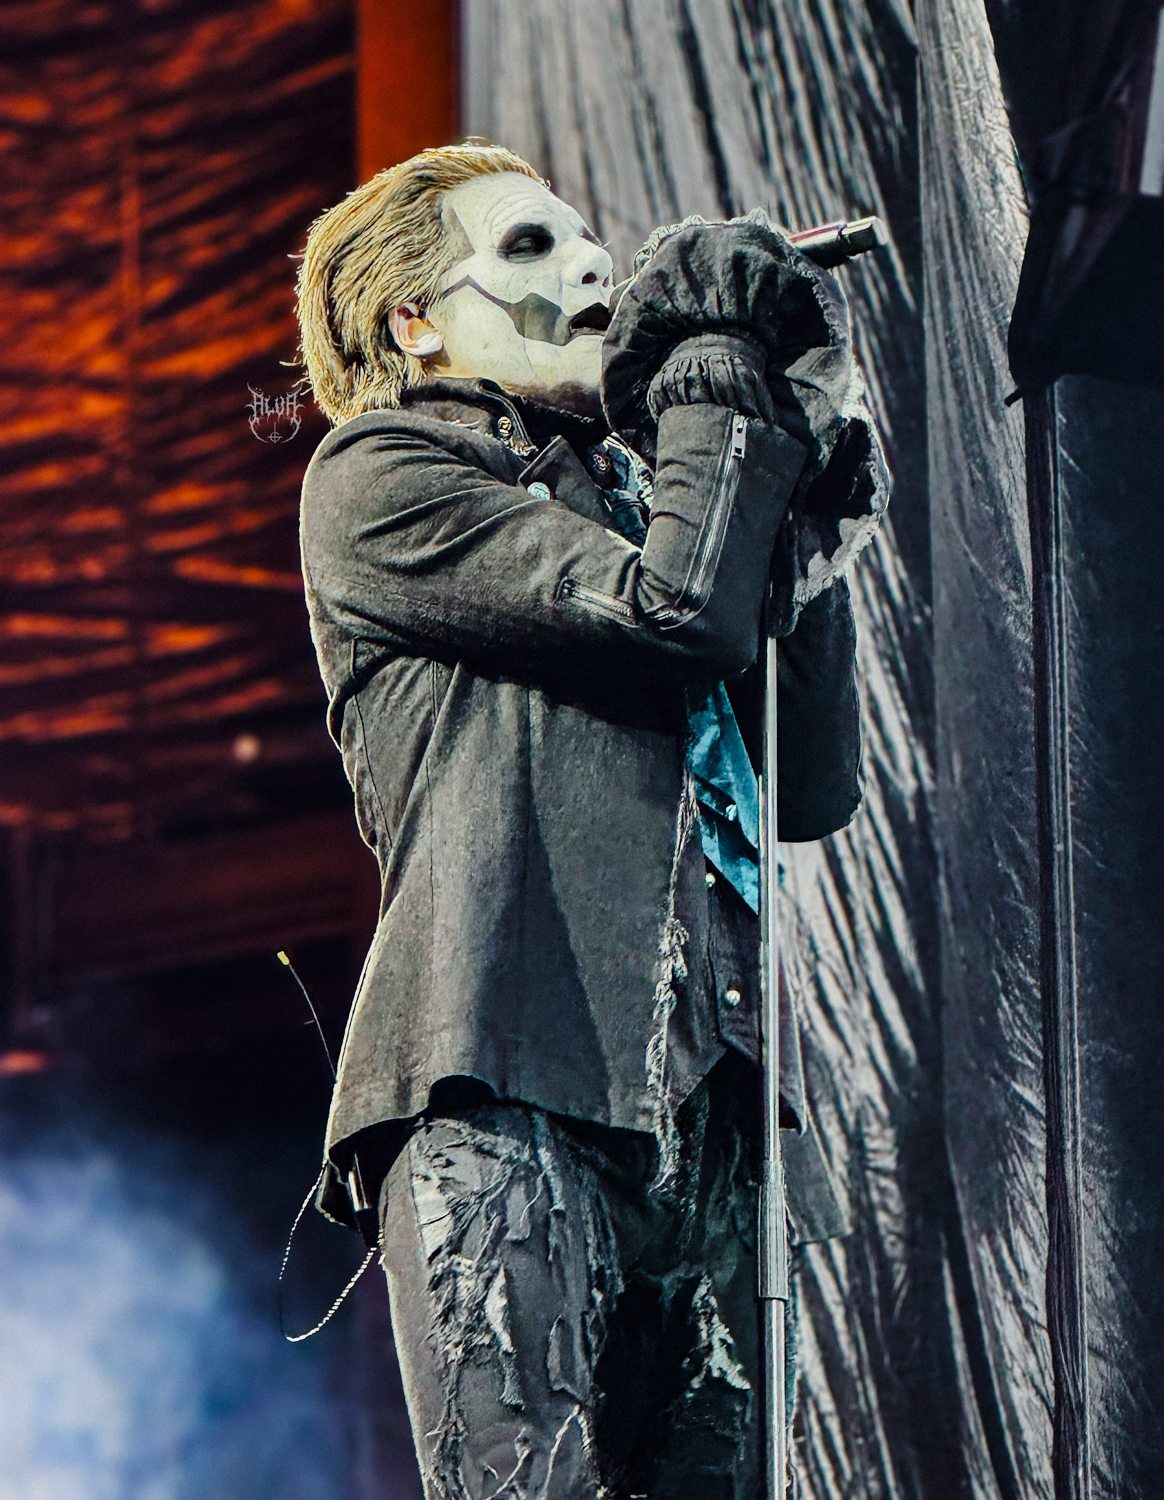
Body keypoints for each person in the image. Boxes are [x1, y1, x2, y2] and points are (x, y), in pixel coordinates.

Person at [295, 141, 870, 1500]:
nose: (595, 261)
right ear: (415, 322)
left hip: (716, 1104)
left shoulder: (636, 495)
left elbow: (813, 780)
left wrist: (787, 477)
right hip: (510, 1077)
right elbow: (675, 612)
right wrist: (714, 374)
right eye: (528, 247)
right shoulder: (386, 472)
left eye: (583, 236)